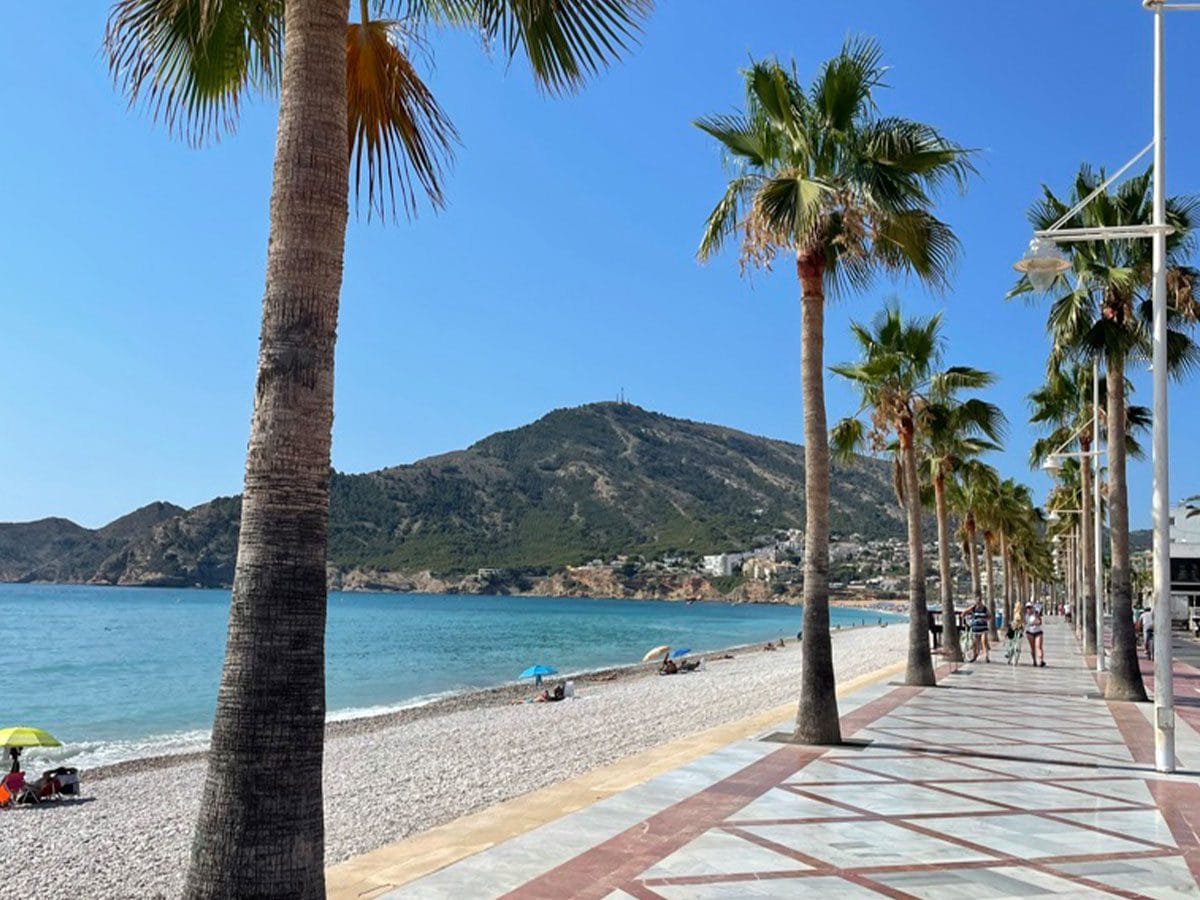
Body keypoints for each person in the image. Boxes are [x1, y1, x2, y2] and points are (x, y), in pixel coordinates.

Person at [968, 597, 990, 663]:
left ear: (981, 602)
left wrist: (985, 619)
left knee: (984, 642)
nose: (978, 604)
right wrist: (963, 616)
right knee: (975, 643)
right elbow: (965, 612)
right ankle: (975, 656)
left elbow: (990, 616)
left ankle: (986, 656)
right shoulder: (973, 608)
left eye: (979, 602)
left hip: (983, 629)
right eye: (977, 602)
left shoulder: (985, 609)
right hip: (975, 629)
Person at [1024, 602, 1045, 667]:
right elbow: (1024, 623)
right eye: (1027, 608)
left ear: (1033, 608)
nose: (1029, 609)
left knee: (1038, 646)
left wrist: (1036, 617)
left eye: (1030, 607)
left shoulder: (1036, 614)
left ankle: (1041, 660)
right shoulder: (1025, 616)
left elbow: (1039, 622)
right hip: (1029, 632)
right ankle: (1034, 661)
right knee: (1032, 648)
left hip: (1038, 632)